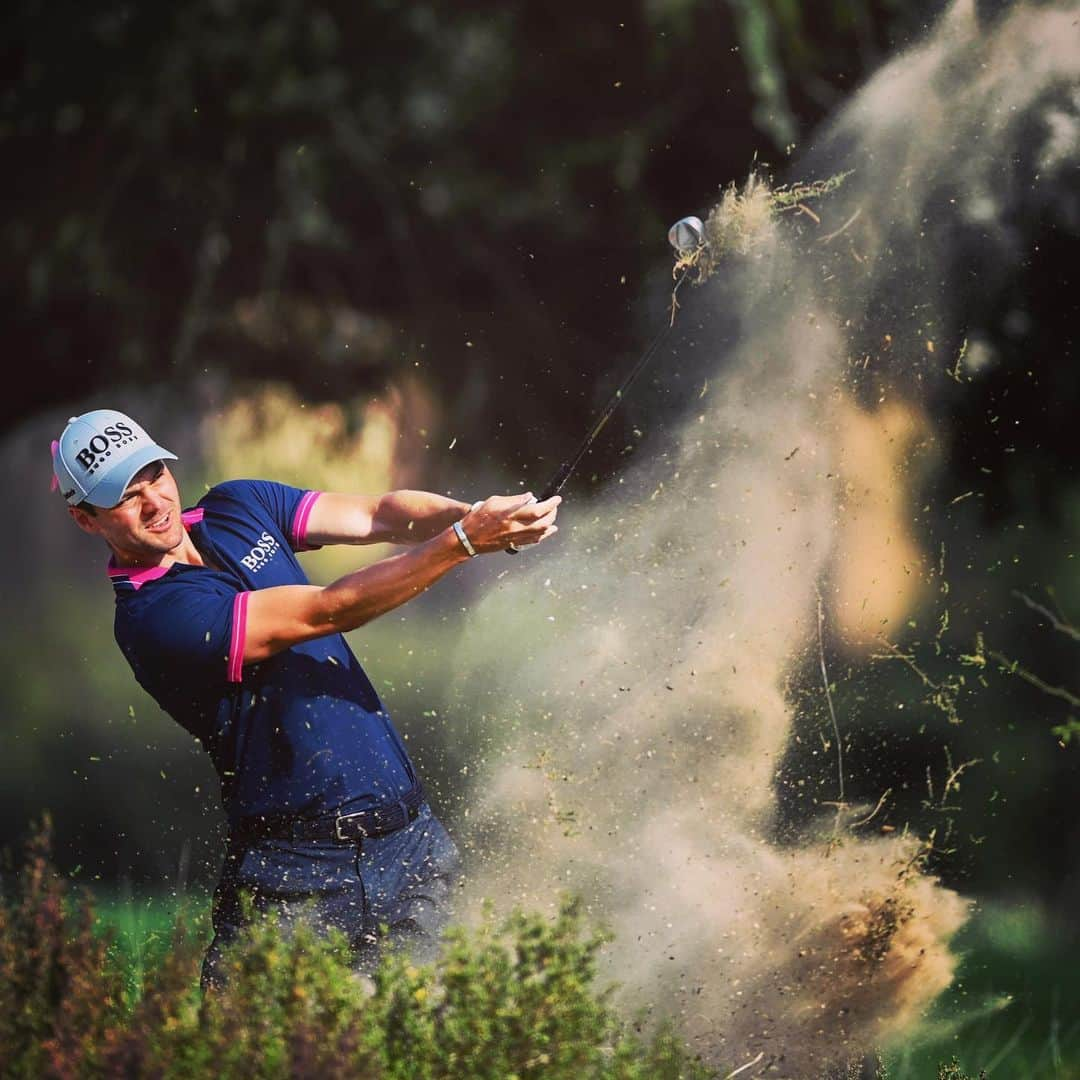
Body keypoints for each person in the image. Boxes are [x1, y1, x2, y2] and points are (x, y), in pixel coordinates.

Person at [51, 407, 560, 989]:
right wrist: (465, 542)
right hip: (297, 875)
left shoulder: (237, 506)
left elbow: (378, 514)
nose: (154, 502)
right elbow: (328, 608)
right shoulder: (155, 618)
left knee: (454, 1048)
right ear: (86, 518)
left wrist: (478, 517)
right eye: (124, 495)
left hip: (414, 844)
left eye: (154, 475)